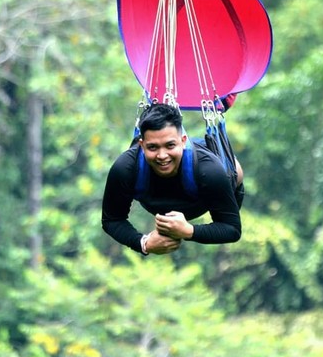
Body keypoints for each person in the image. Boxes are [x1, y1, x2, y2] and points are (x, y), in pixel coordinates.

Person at [102, 103, 244, 255]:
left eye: (170, 145)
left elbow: (232, 229)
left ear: (183, 140)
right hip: (174, 193)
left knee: (233, 171)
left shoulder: (208, 170)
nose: (162, 155)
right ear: (141, 145)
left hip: (213, 177)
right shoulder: (125, 168)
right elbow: (112, 220)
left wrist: (189, 231)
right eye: (153, 147)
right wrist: (144, 243)